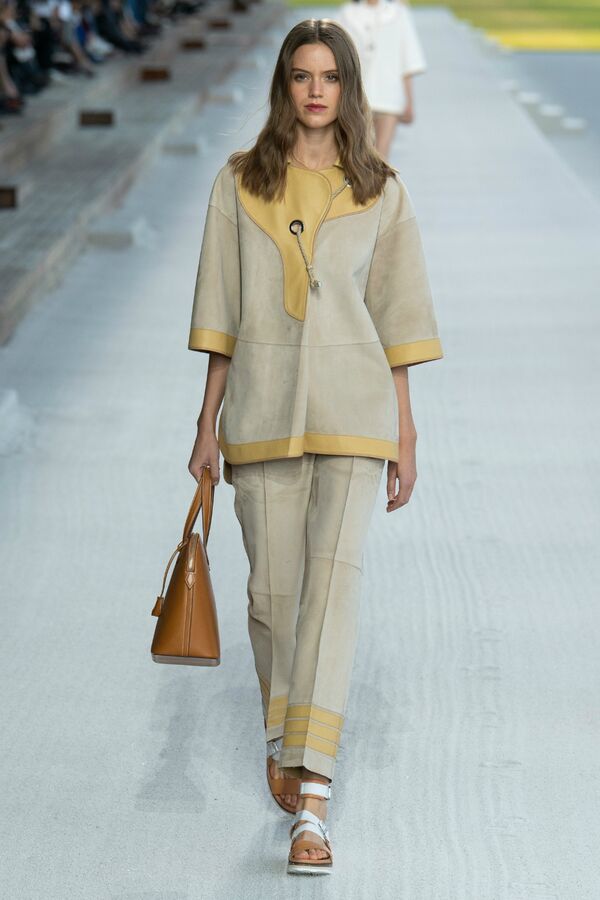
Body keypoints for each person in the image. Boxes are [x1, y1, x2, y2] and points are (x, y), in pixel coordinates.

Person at [186, 17, 443, 875]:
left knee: (333, 590)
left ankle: (314, 799)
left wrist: (405, 431)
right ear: (284, 86)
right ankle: (282, 733)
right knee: (271, 594)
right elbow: (220, 311)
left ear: (349, 87)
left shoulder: (380, 189)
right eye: (303, 75)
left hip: (355, 410)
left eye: (331, 76)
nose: (317, 90)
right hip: (261, 409)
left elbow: (399, 318)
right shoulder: (238, 183)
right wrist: (205, 423)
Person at [335, 0, 427, 159]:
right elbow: (337, 59)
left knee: (381, 159)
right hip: (357, 99)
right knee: (359, 157)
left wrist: (409, 102)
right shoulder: (347, 14)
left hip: (389, 99)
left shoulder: (397, 14)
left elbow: (406, 61)